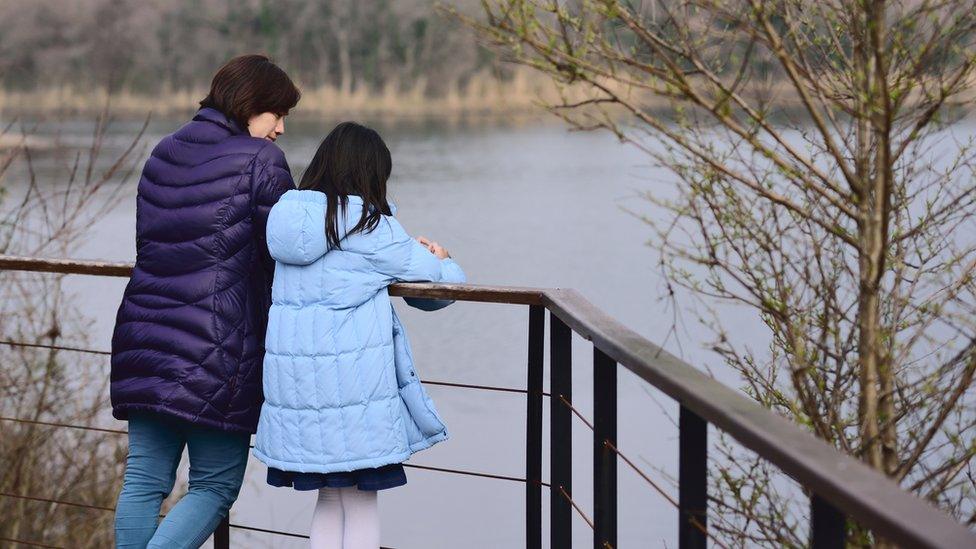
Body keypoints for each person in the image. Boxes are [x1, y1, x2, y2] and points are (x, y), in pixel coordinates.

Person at [110, 54, 300, 548]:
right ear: (249, 106)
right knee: (215, 485)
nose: (280, 128)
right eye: (276, 114)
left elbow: (151, 245)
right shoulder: (261, 160)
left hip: (144, 333)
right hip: (218, 344)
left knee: (144, 483)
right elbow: (290, 247)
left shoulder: (163, 151)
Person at [252, 122, 465, 549]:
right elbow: (438, 289)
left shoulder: (287, 218)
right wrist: (444, 258)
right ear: (371, 175)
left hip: (298, 393)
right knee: (363, 500)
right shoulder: (372, 226)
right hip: (354, 392)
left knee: (330, 497)